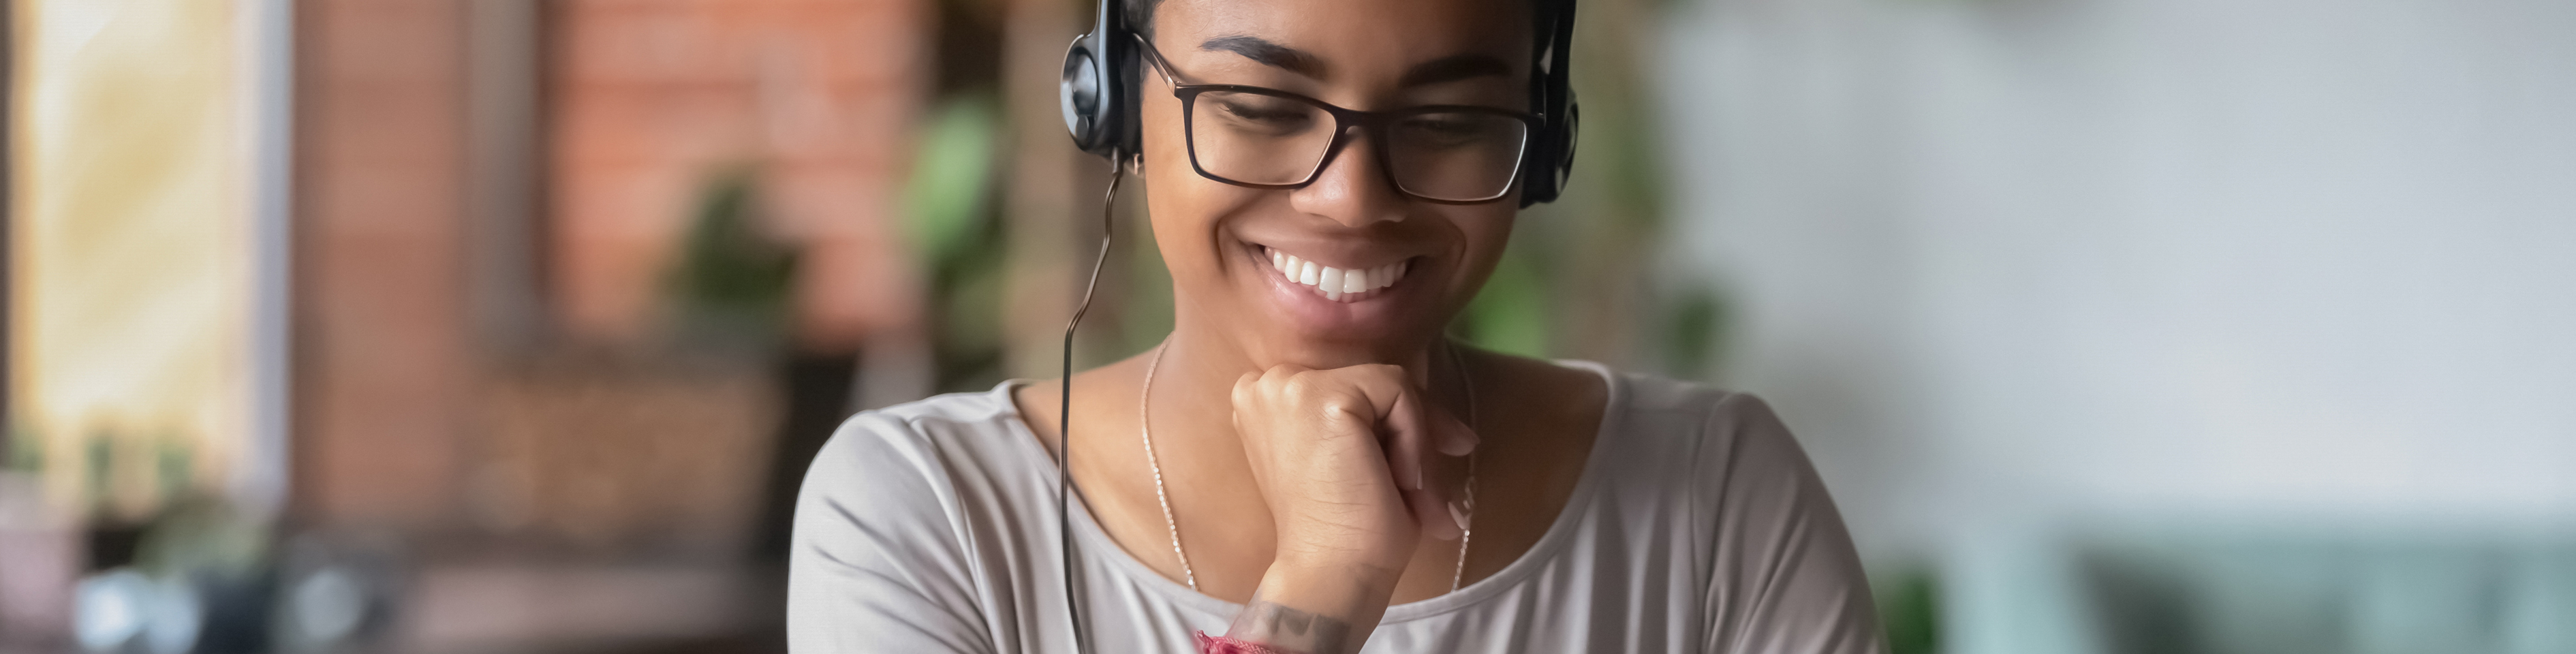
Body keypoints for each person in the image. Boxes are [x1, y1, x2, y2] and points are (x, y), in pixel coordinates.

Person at [788, 0, 1884, 651]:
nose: (1353, 199)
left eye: (1451, 119)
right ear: (1115, 104)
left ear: (1540, 148)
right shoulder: (926, 518)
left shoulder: (1715, 500)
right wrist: (1321, 584)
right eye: (1260, 109)